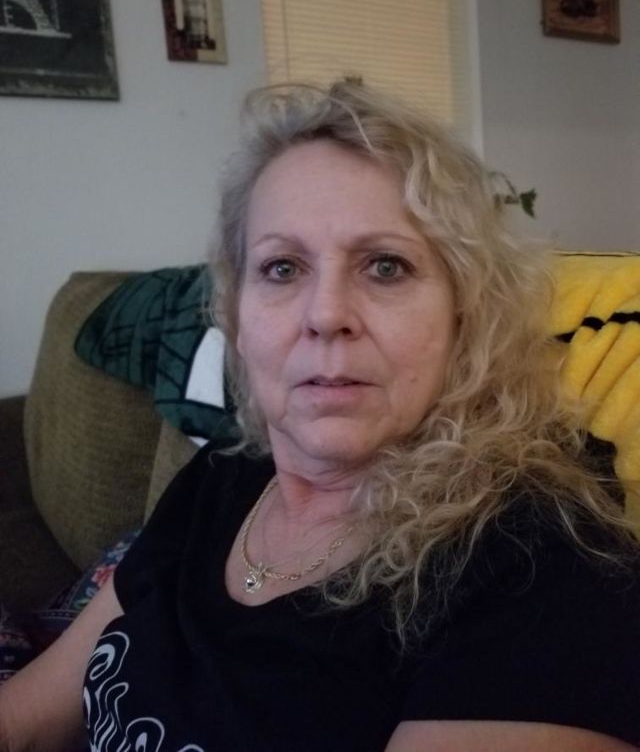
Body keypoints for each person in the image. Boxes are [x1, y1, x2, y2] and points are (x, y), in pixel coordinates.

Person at [1, 79, 639, 752]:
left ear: (465, 315)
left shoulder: (542, 562)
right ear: (237, 317)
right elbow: (24, 718)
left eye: (386, 266)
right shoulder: (220, 477)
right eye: (282, 268)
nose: (327, 313)